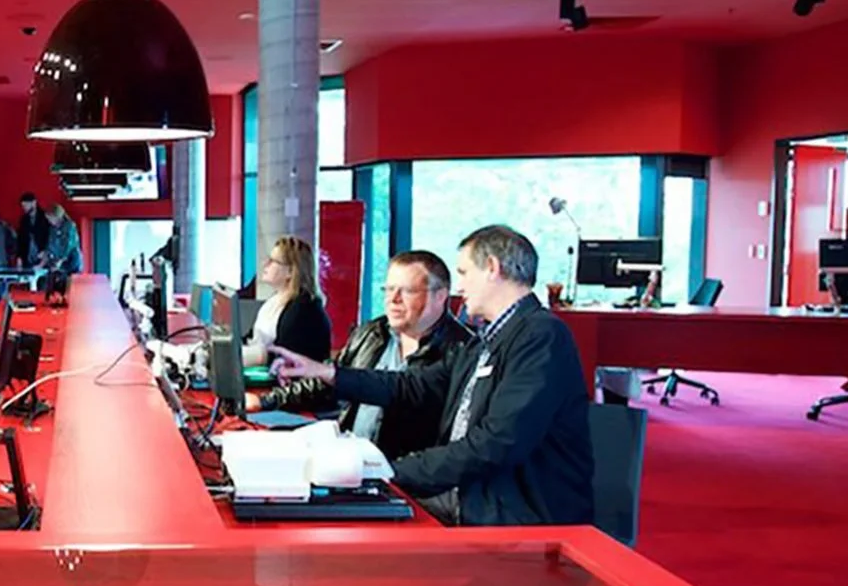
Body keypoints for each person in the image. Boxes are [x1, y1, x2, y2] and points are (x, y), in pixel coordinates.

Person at [268, 225, 594, 526]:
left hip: (509, 514)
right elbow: (411, 386)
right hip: (469, 497)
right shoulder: (488, 340)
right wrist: (324, 372)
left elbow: (497, 443)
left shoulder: (540, 336)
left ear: (492, 268)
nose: (460, 286)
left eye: (465, 273)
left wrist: (392, 472)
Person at [253, 250, 471, 460]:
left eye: (407, 291)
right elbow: (328, 381)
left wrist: (327, 372)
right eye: (388, 289)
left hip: (405, 477)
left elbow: (399, 389)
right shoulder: (372, 332)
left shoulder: (462, 349)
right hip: (350, 461)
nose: (393, 299)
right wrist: (266, 401)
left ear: (440, 296)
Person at [244, 235, 331, 365]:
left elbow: (285, 356)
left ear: (291, 271)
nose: (265, 264)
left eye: (272, 261)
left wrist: (245, 356)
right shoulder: (274, 301)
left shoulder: (304, 308)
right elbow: (251, 339)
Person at [15, 191, 52, 268]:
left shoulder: (45, 218)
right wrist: (19, 257)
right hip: (27, 258)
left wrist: (46, 253)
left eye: (26, 205)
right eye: (23, 205)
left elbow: (50, 238)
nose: (24, 208)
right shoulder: (24, 220)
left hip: (43, 258)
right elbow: (20, 240)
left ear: (34, 203)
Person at [45, 204, 83, 274]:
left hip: (72, 261)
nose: (49, 221)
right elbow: (50, 244)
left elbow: (69, 245)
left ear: (57, 217)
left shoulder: (70, 226)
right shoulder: (52, 229)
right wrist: (47, 254)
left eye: (50, 218)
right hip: (58, 264)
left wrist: (61, 260)